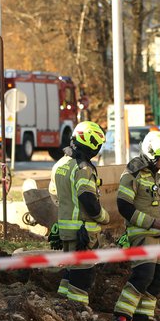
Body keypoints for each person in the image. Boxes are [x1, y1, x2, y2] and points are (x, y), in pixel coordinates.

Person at [112, 130, 160, 321]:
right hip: (142, 234)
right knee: (144, 274)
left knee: (159, 278)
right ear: (150, 152)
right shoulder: (133, 174)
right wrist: (150, 223)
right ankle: (122, 314)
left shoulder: (158, 176)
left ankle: (144, 316)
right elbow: (124, 206)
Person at [49, 121, 110, 307]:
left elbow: (54, 195)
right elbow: (88, 199)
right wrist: (103, 217)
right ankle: (79, 313)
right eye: (98, 145)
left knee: (70, 271)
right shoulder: (83, 168)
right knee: (83, 276)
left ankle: (63, 308)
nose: (98, 149)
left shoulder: (60, 164)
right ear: (90, 143)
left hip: (67, 231)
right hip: (83, 234)